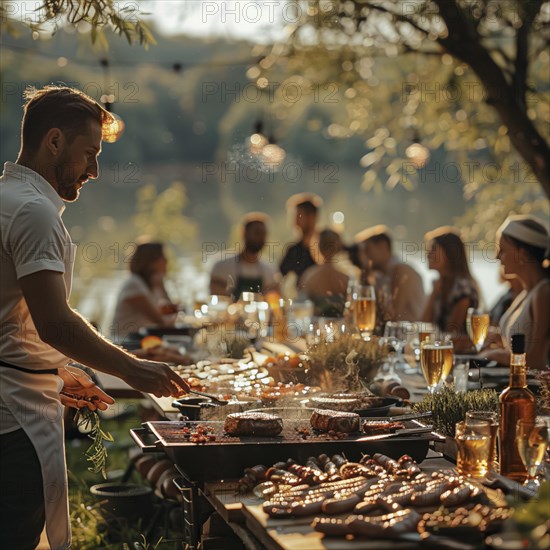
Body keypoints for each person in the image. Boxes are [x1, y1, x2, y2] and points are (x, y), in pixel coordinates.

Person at [0, 85, 189, 550]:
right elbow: (56, 323)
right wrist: (133, 369)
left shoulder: (6, 197)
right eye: (90, 154)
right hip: (14, 419)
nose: (96, 171)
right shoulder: (34, 212)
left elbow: (14, 316)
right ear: (55, 141)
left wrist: (58, 368)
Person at [484, 215, 549, 369]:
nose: (497, 256)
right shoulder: (526, 292)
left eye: (502, 250)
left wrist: (495, 355)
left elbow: (536, 361)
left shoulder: (543, 293)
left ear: (522, 253)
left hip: (531, 390)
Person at [354, 225, 426, 321]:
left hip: (409, 334)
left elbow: (392, 316)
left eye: (367, 250)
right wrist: (364, 274)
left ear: (383, 247)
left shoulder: (402, 271)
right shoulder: (379, 276)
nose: (364, 256)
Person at [111, 241, 178, 341]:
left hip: (138, 340)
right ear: (151, 261)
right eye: (162, 257)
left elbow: (170, 314)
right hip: (123, 344)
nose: (166, 261)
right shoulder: (134, 285)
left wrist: (162, 287)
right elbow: (162, 322)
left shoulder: (150, 285)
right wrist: (162, 287)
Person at [422, 226, 480, 337]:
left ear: (450, 253)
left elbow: (451, 332)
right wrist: (434, 293)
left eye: (433, 249)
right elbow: (424, 326)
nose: (428, 254)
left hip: (460, 353)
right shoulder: (439, 284)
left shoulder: (463, 289)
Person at [210, 212, 279, 300]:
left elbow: (273, 300)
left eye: (263, 234)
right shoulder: (223, 266)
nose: (260, 238)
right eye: (257, 233)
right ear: (244, 233)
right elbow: (218, 299)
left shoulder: (269, 270)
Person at [300, 229, 349, 317]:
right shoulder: (346, 277)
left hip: (317, 327)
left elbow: (301, 308)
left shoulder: (309, 276)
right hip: (341, 327)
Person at [279, 193, 323, 286]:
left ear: (312, 217)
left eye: (299, 215)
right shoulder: (293, 250)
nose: (294, 221)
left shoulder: (325, 246)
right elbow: (279, 278)